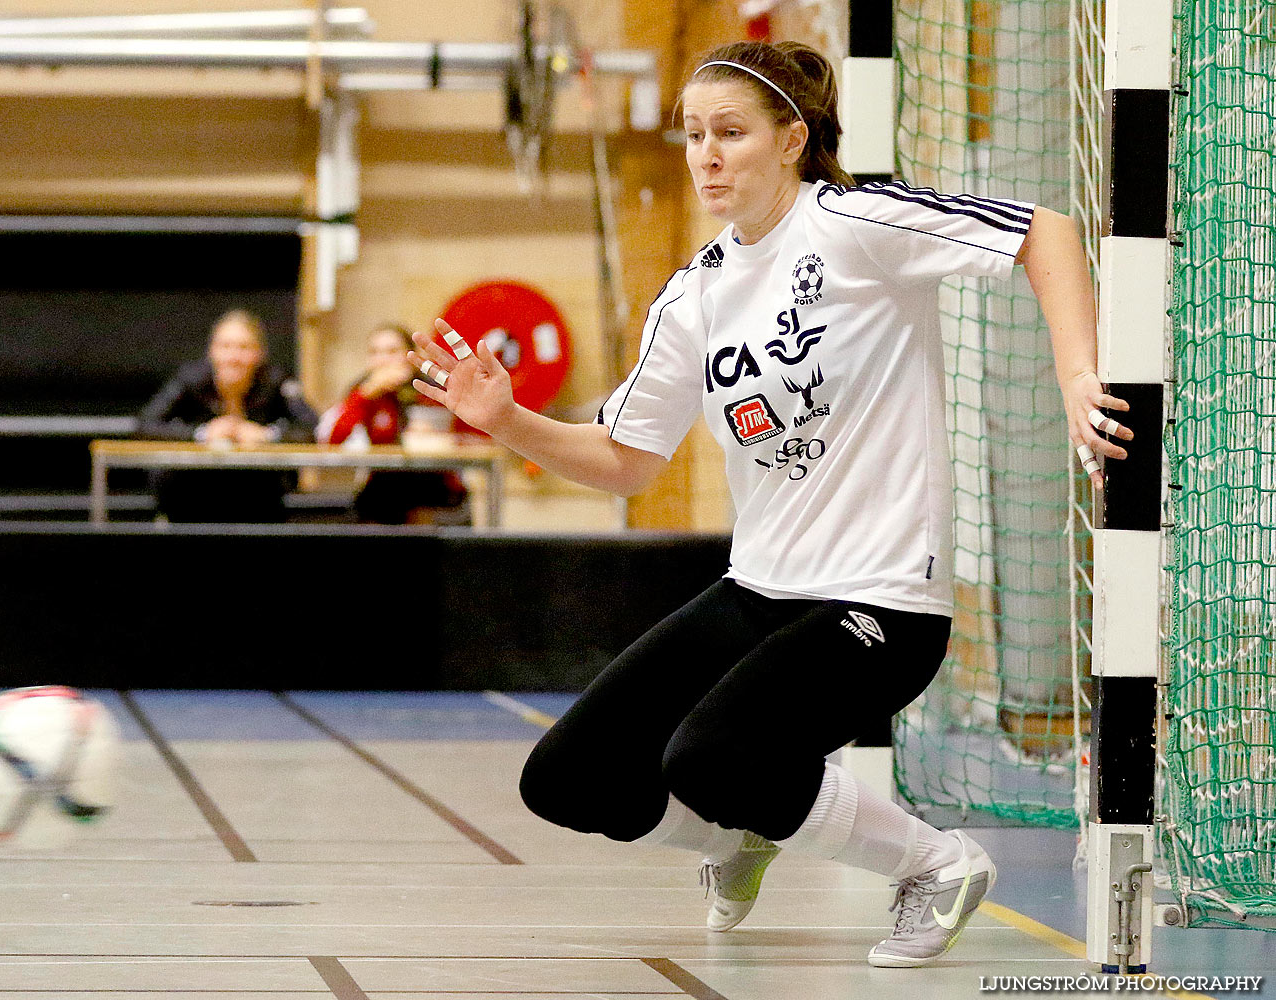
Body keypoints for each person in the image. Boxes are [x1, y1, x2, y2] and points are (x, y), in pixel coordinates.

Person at [407, 40, 1132, 968]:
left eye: (731, 133)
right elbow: (629, 462)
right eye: (693, 135)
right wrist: (508, 420)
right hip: (757, 593)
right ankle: (738, 835)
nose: (707, 155)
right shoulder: (695, 293)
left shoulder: (857, 224)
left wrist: (1080, 373)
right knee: (568, 778)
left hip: (881, 602)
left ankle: (936, 866)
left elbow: (1046, 232)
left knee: (711, 754)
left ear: (791, 139)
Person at [138, 309, 318, 522]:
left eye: (243, 348)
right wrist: (201, 433)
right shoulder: (190, 379)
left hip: (259, 494)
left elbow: (311, 427)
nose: (233, 358)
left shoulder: (276, 381)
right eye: (225, 347)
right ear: (211, 351)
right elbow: (145, 424)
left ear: (259, 354)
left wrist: (268, 435)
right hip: (192, 492)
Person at [320, 322, 467, 525]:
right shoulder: (364, 390)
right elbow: (333, 439)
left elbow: (462, 435)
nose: (383, 360)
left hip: (433, 481)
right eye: (375, 352)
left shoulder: (431, 387)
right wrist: (365, 395)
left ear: (410, 355)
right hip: (385, 482)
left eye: (392, 351)